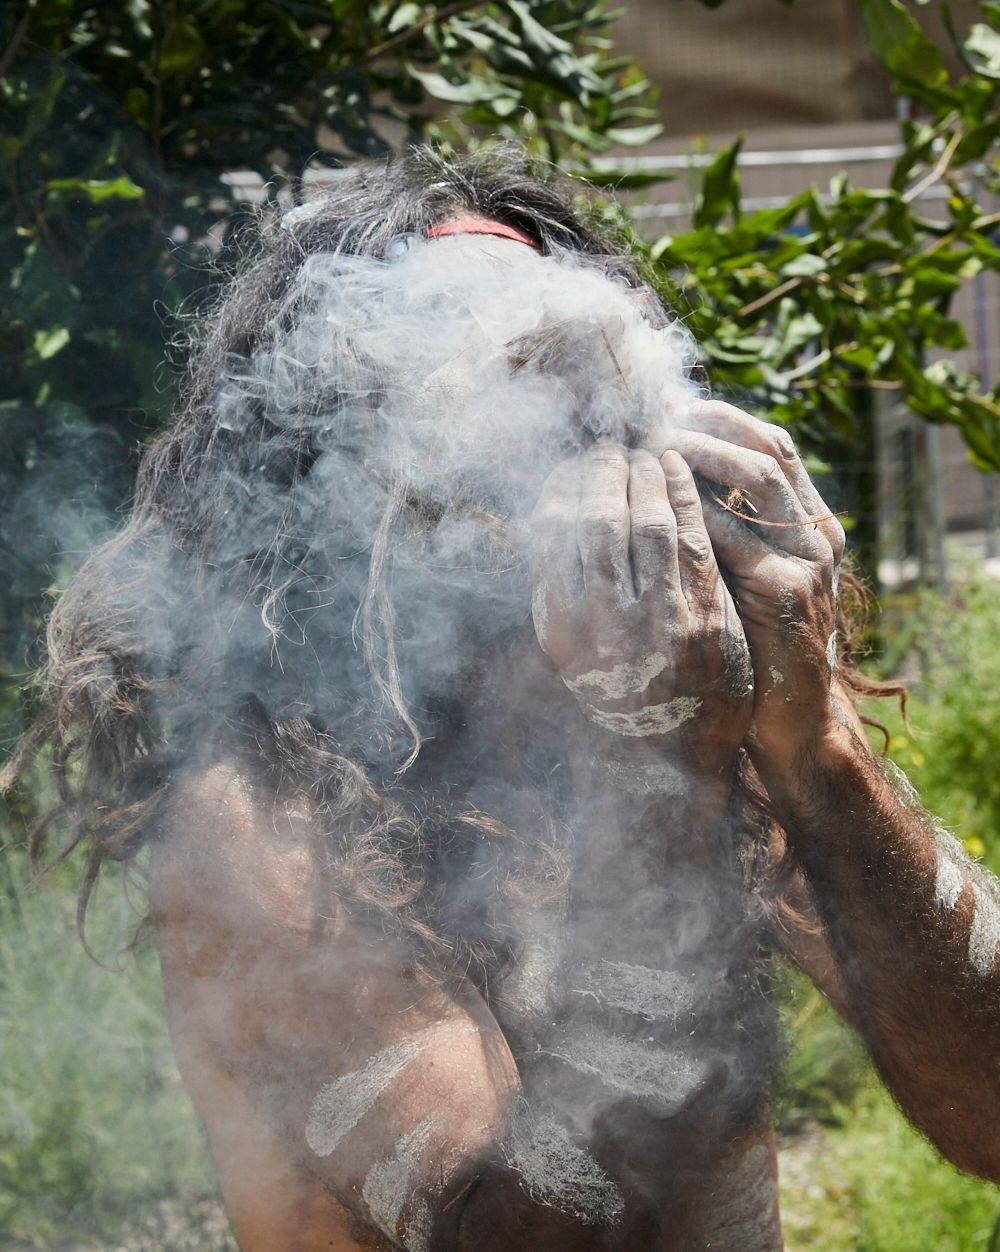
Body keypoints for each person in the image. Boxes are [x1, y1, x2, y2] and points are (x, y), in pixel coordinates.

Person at [9, 147, 1000, 1252]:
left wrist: (814, 740)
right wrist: (657, 766)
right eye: (500, 372)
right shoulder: (265, 823)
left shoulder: (675, 706)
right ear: (350, 464)